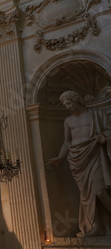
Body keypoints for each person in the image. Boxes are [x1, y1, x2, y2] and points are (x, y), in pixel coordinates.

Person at [46, 90, 111, 237]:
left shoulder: (97, 114)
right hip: (78, 161)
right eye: (64, 105)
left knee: (100, 192)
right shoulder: (68, 121)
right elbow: (67, 142)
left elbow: (109, 131)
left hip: (96, 156)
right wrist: (60, 157)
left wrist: (105, 137)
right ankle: (96, 226)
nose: (67, 106)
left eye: (68, 102)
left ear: (76, 99)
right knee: (87, 195)